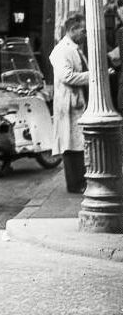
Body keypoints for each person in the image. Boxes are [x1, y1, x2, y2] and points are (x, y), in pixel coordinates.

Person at [50, 13, 90, 194]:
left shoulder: (74, 48)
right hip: (68, 103)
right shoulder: (62, 50)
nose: (85, 34)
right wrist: (93, 76)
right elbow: (67, 76)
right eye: (83, 31)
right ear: (72, 30)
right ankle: (75, 184)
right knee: (70, 144)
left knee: (77, 143)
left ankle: (80, 181)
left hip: (76, 102)